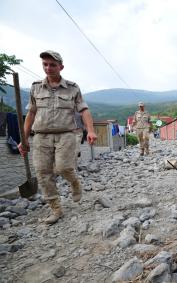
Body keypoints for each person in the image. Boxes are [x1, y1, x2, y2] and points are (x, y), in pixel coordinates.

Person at [18, 50, 97, 225]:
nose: (48, 68)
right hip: (41, 136)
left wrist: (90, 130)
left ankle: (75, 183)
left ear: (61, 67)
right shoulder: (36, 87)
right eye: (45, 64)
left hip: (66, 134)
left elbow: (84, 110)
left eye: (52, 64)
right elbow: (31, 113)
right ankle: (56, 209)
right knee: (43, 172)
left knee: (63, 168)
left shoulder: (72, 87)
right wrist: (23, 139)